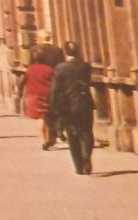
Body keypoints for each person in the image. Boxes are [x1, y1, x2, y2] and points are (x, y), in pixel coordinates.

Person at [47, 41, 95, 175]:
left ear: (65, 52)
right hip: (85, 104)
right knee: (86, 132)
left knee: (72, 136)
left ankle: (79, 166)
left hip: (68, 106)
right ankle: (87, 158)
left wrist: (54, 106)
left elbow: (55, 90)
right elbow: (88, 82)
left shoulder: (60, 68)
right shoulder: (85, 66)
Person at [23, 47, 57, 150]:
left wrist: (23, 95)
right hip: (47, 95)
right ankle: (47, 139)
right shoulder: (49, 69)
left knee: (41, 118)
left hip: (33, 95)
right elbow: (54, 82)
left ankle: (44, 140)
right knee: (46, 117)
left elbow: (25, 82)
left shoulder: (30, 69)